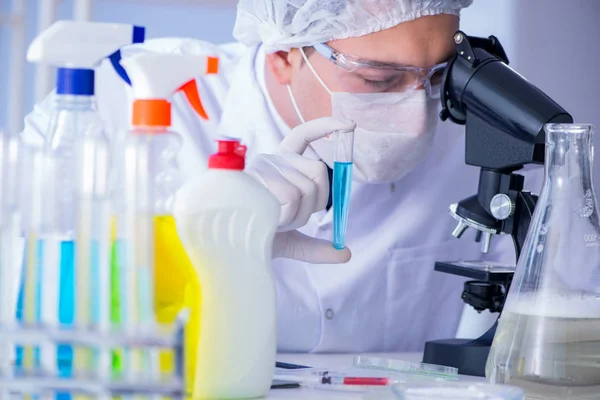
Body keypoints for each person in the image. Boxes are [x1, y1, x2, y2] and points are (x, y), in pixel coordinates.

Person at [21, 0, 539, 352]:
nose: (417, 116)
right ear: (285, 54)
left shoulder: (475, 138)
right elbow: (38, 303)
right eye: (378, 80)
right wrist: (204, 238)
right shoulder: (124, 105)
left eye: (436, 77)